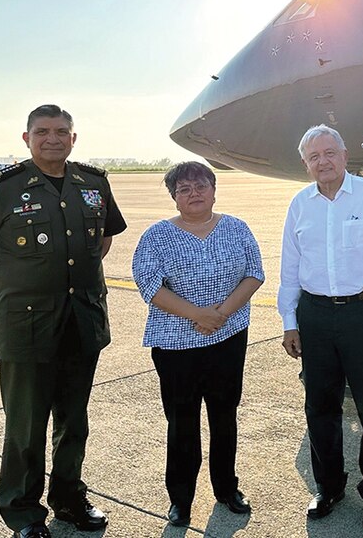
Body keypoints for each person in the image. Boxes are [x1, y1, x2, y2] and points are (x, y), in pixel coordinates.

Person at [0, 104, 127, 538]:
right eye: (42, 132)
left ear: (74, 138)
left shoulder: (94, 183)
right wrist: (9, 294)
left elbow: (102, 237)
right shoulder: (3, 188)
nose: (52, 138)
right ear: (27, 138)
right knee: (26, 428)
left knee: (74, 421)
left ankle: (69, 499)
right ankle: (23, 514)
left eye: (61, 131)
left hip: (82, 322)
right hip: (26, 329)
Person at [278, 124, 363, 530]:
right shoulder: (300, 205)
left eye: (329, 153)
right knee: (320, 406)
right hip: (315, 315)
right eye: (314, 157)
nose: (323, 161)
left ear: (345, 154)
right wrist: (290, 321)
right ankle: (329, 486)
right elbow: (290, 269)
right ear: (306, 165)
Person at [131, 162, 264, 528]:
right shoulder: (156, 236)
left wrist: (219, 315)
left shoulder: (236, 228)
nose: (194, 193)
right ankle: (181, 499)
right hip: (176, 347)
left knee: (225, 416)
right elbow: (149, 285)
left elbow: (255, 273)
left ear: (214, 189)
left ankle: (226, 488)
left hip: (228, 338)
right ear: (174, 197)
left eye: (200, 185)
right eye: (184, 189)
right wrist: (197, 315)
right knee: (182, 421)